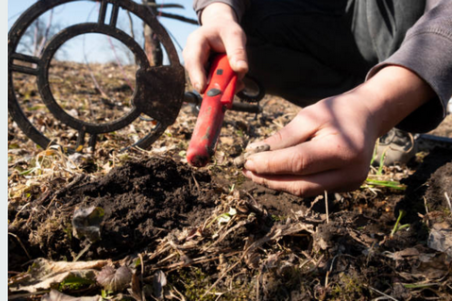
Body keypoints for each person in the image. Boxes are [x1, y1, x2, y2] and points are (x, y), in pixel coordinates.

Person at [184, 0, 452, 197]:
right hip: (342, 20)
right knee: (249, 28)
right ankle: (354, 116)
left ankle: (390, 107)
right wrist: (218, 13)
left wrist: (375, 105)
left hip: (424, 23)